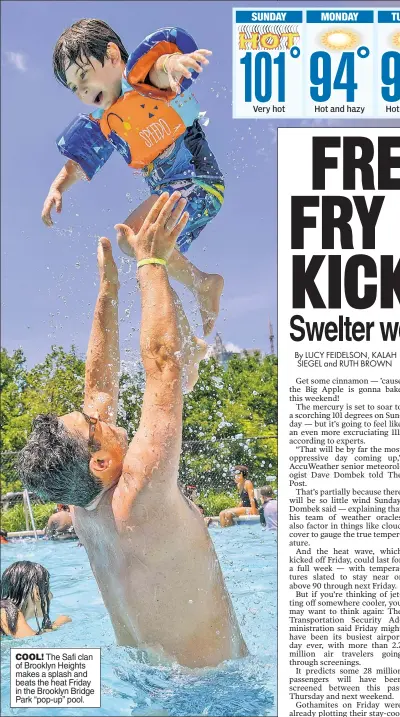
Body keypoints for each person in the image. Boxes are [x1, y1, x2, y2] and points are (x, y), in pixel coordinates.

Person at [19, 193, 247, 667]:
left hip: (149, 689)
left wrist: (107, 294)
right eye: (99, 427)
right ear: (100, 462)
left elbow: (97, 390)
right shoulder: (140, 488)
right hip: (216, 691)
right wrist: (152, 263)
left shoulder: (87, 511)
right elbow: (164, 365)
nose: (106, 416)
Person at [41, 19, 224, 336]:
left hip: (198, 181)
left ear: (112, 56)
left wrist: (177, 64)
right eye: (75, 88)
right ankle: (187, 345)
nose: (83, 90)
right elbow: (78, 162)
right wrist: (58, 187)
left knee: (131, 238)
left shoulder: (140, 81)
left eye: (84, 76)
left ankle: (203, 284)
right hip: (181, 194)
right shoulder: (105, 121)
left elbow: (162, 67)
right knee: (149, 262)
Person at [1, 561, 71, 638]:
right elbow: (33, 645)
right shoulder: (5, 612)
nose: (51, 596)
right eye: (47, 590)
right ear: (36, 592)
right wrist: (58, 624)